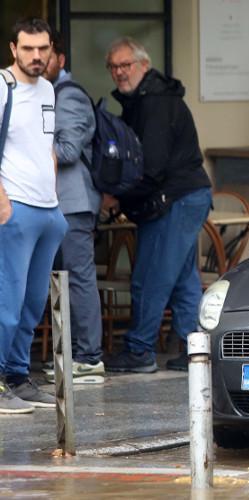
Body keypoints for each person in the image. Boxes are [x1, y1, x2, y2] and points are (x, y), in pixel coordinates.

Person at [102, 37, 212, 373]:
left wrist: (118, 197)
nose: (120, 72)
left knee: (151, 276)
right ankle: (196, 351)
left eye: (126, 65)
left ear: (144, 66)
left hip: (173, 199)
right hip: (186, 195)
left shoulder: (155, 104)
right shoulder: (145, 100)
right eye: (114, 67)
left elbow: (150, 168)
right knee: (181, 279)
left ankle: (139, 350)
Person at [0, 18, 67, 414]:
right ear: (13, 49)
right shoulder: (2, 87)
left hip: (47, 209)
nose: (36, 56)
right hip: (15, 207)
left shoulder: (48, 89)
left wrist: (55, 198)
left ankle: (17, 376)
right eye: (28, 49)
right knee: (7, 301)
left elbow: (47, 147)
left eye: (43, 48)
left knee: (32, 302)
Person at [41, 33, 105, 383]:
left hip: (73, 204)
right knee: (50, 280)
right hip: (51, 202)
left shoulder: (70, 95)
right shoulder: (44, 93)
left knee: (78, 279)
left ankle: (89, 357)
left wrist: (29, 141)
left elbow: (66, 150)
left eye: (46, 54)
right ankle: (67, 354)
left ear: (60, 59)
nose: (39, 61)